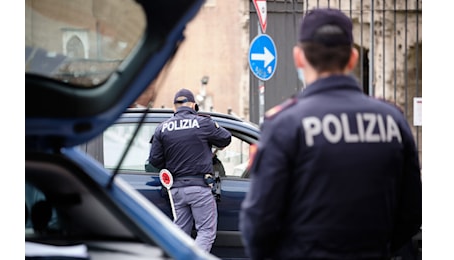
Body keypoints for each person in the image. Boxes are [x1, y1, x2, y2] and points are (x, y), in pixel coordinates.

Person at [239, 8, 422, 260]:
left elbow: (258, 224)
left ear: (299, 58)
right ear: (353, 58)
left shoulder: (285, 124)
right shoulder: (393, 121)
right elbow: (411, 213)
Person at [149, 88, 231, 252]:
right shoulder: (203, 123)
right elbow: (226, 138)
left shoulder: (162, 128)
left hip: (176, 190)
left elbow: (155, 160)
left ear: (175, 107)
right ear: (193, 105)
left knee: (180, 234)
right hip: (199, 187)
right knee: (206, 232)